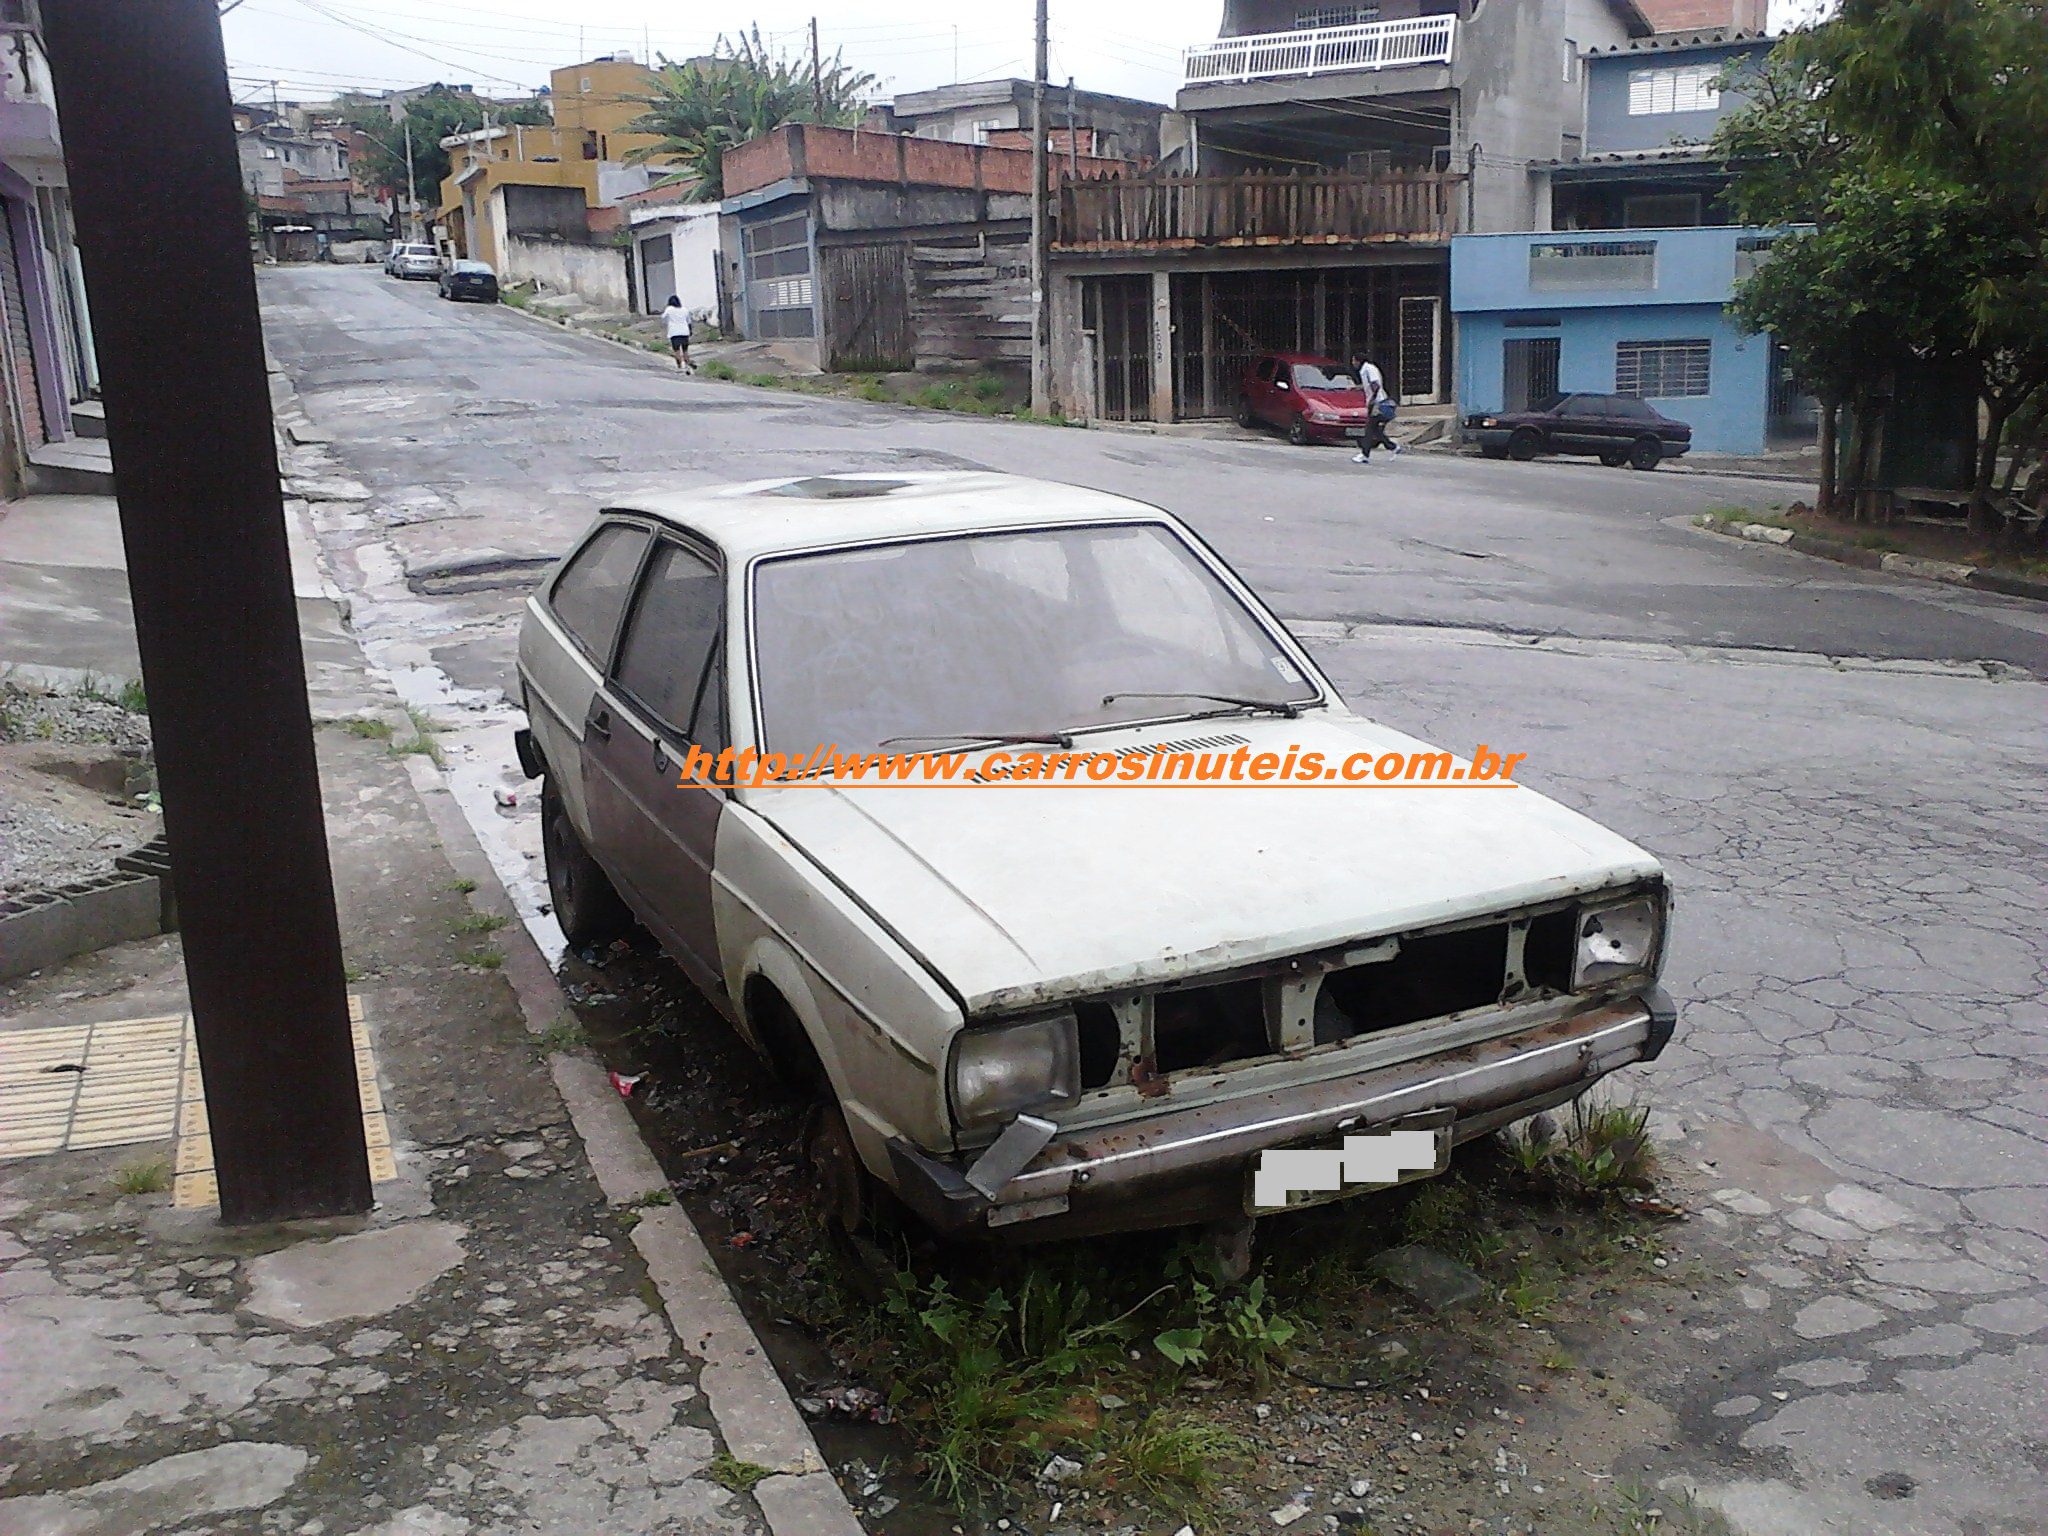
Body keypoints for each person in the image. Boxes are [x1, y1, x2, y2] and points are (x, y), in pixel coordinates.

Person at [1349, 353, 1400, 463]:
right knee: (1376, 431)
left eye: (1354, 361)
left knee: (1369, 430)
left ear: (1359, 361)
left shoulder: (1368, 369)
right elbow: (1369, 385)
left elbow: (1375, 385)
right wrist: (1357, 388)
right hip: (1374, 402)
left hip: (1378, 403)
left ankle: (1364, 454)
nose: (1353, 363)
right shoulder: (1365, 370)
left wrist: (1372, 400)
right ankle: (1393, 447)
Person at [662, 295, 694, 372]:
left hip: (674, 332)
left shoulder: (669, 309)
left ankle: (680, 364)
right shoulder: (684, 309)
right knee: (685, 350)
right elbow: (689, 321)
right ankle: (688, 364)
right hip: (684, 331)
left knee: (677, 350)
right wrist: (690, 331)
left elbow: (663, 317)